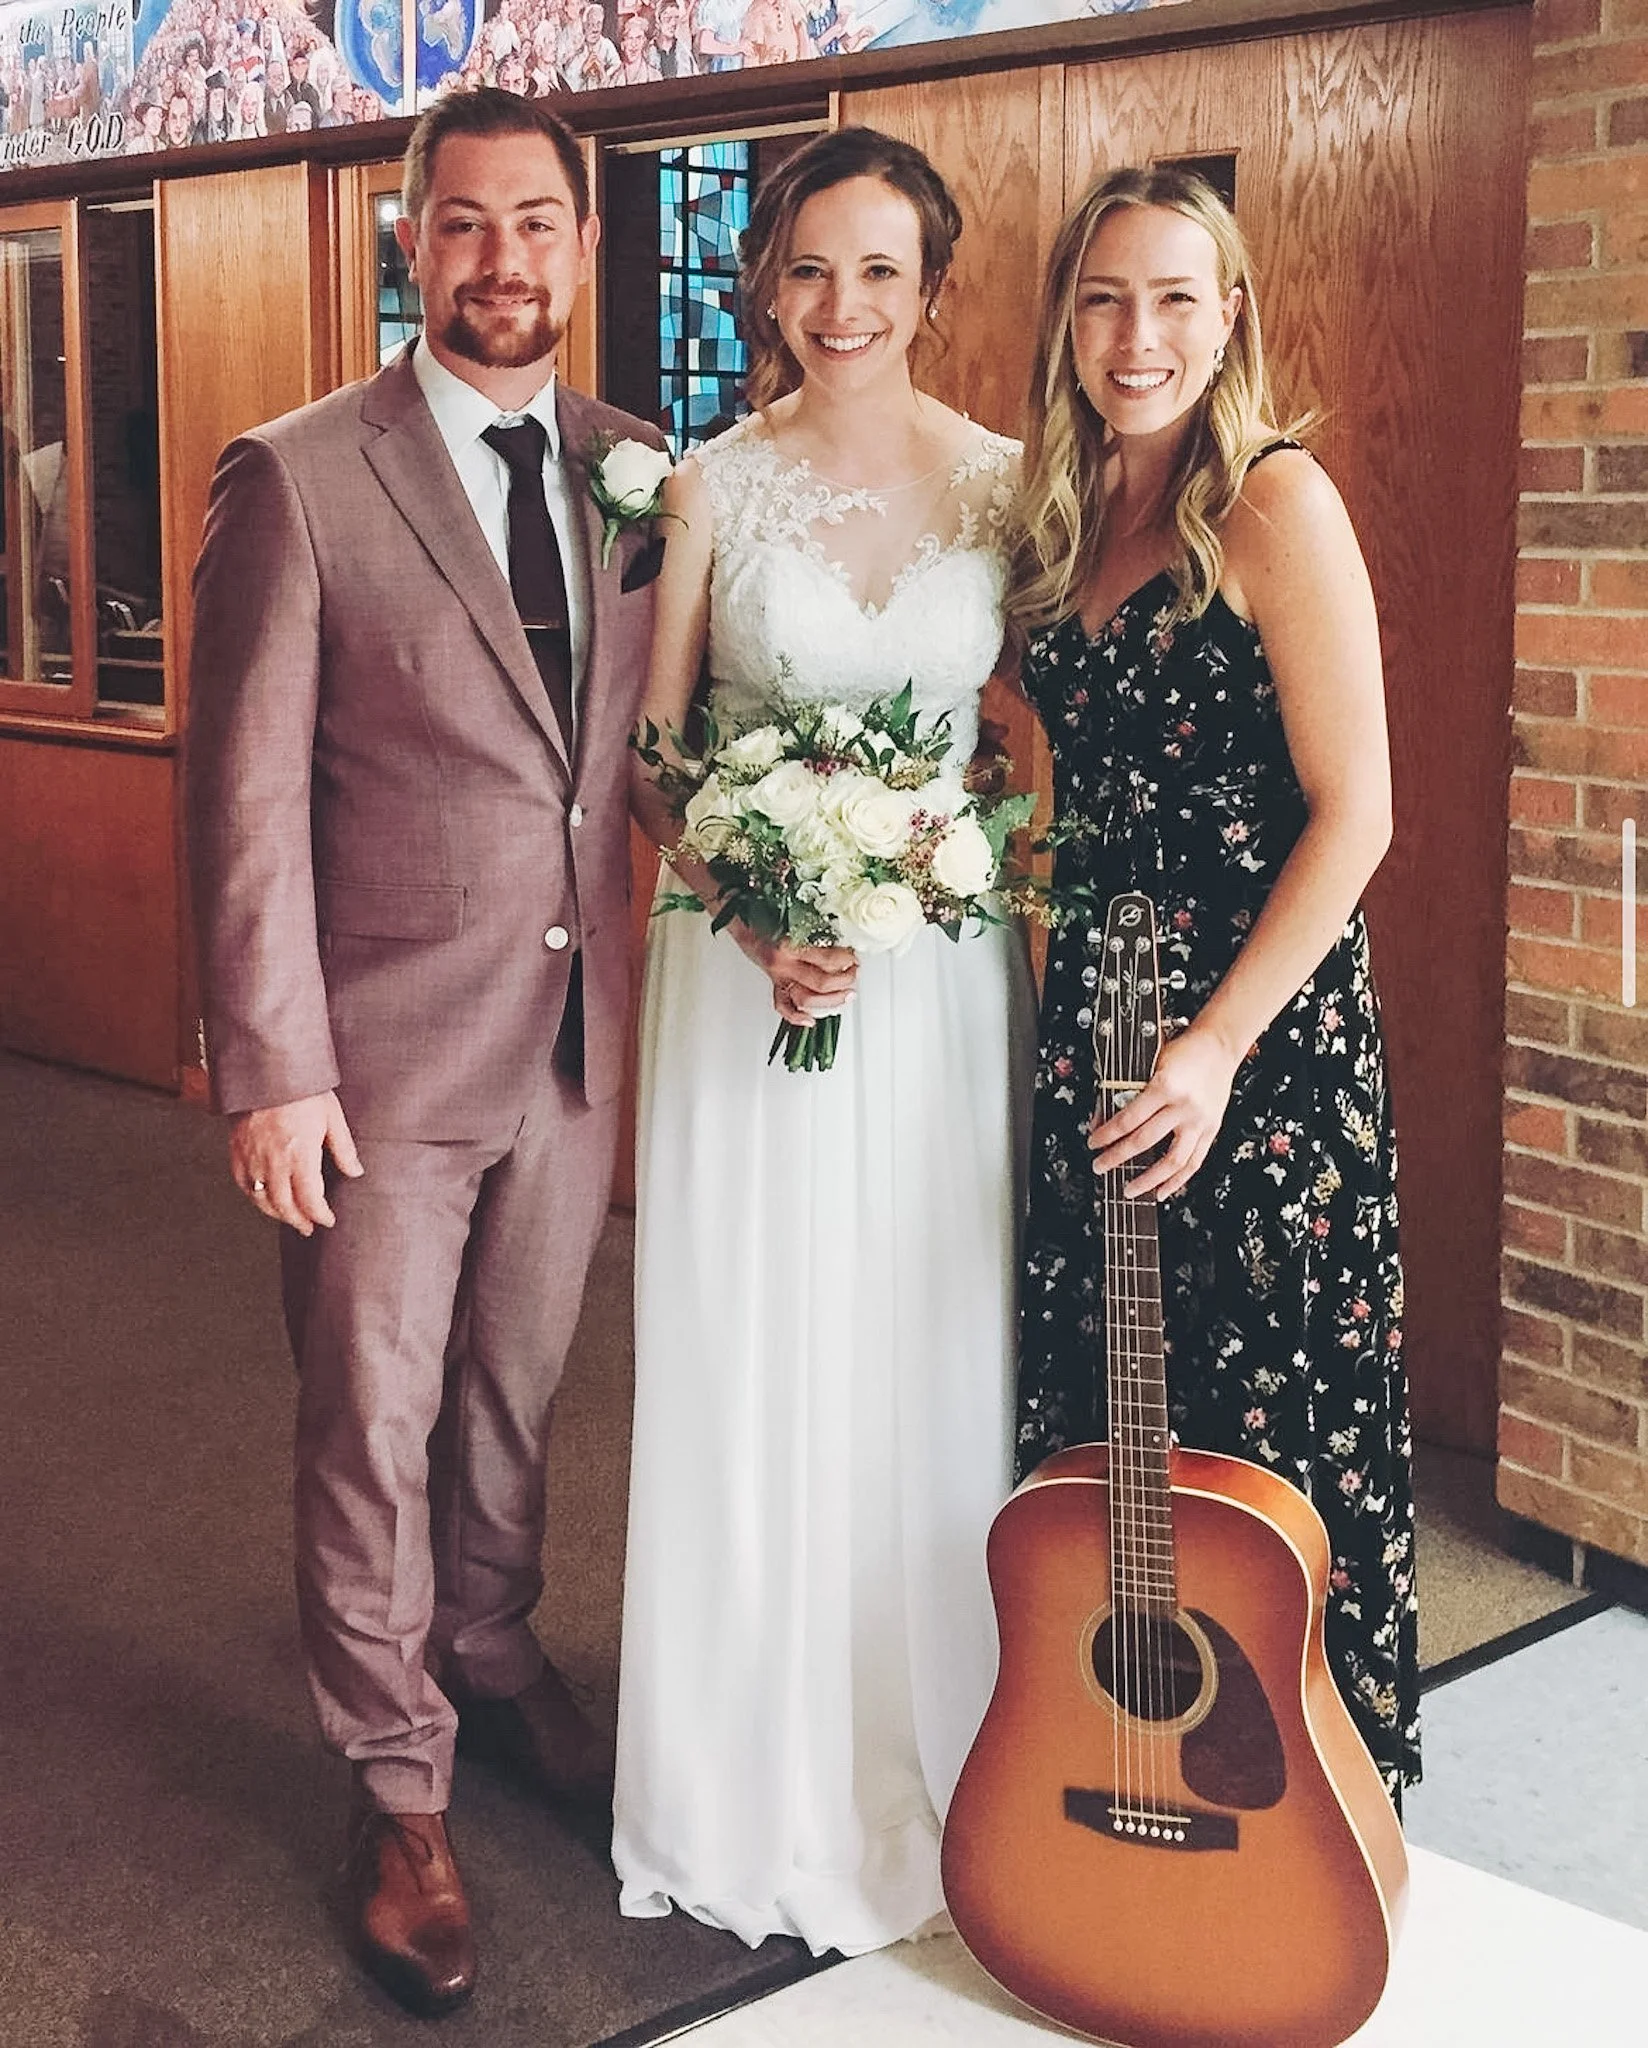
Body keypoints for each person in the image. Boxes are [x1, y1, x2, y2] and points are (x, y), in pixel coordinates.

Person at [185, 88, 665, 2017]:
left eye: (535, 225)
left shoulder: (639, 468)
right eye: (463, 228)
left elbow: (642, 761)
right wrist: (270, 1064)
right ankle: (398, 1790)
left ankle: (488, 1643)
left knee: (515, 1392)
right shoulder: (296, 477)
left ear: (580, 243)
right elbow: (240, 806)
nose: (503, 264)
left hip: (573, 1045)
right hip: (372, 1061)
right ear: (409, 242)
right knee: (370, 1423)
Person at [616, 125, 1037, 1956]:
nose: (841, 306)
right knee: (759, 1338)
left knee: (923, 1345)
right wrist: (758, 908)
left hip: (936, 981)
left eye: (879, 270)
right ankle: (748, 1773)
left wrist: (956, 866)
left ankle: (957, 1755)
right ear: (764, 284)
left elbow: (1043, 725)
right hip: (749, 967)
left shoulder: (1019, 487)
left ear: (934, 286)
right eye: (807, 269)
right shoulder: (708, 483)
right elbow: (648, 755)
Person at [1011, 165, 1419, 1800]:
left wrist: (1217, 1050)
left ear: (1230, 313)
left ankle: (1312, 1822)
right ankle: (1118, 1798)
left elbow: (1362, 812)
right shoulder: (1064, 511)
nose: (1139, 334)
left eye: (1178, 296)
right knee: (1108, 1433)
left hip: (1257, 1058)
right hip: (1093, 1038)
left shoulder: (1272, 499)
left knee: (1262, 1443)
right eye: (1106, 296)